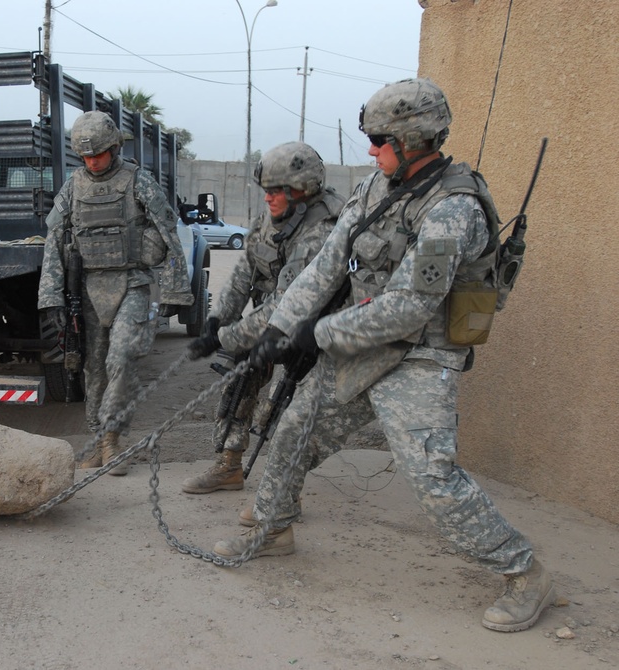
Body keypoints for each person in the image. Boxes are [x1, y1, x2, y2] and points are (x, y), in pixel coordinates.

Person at [210, 78, 555, 633]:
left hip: (419, 356)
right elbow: (327, 266)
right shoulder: (375, 189)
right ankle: (272, 528)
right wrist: (278, 326)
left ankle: (524, 574)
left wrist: (314, 334)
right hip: (355, 341)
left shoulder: (454, 211)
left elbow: (410, 308)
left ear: (412, 139)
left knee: (432, 475)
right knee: (294, 428)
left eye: (378, 139)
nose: (370, 149)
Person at [182, 142, 343, 503]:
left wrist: (225, 337)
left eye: (276, 192)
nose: (268, 199)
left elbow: (289, 303)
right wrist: (218, 318)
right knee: (237, 385)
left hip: (311, 333)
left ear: (300, 191)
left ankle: (285, 492)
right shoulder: (272, 218)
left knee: (287, 413)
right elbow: (245, 270)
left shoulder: (323, 229)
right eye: (266, 191)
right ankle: (229, 465)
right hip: (266, 324)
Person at [38, 110, 193, 475]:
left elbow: (169, 234)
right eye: (86, 157)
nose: (92, 162)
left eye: (98, 155)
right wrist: (51, 298)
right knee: (91, 369)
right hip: (88, 289)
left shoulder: (139, 181)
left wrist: (175, 291)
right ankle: (96, 438)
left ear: (114, 148)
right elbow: (55, 242)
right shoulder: (74, 186)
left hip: (132, 285)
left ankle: (112, 439)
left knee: (121, 360)